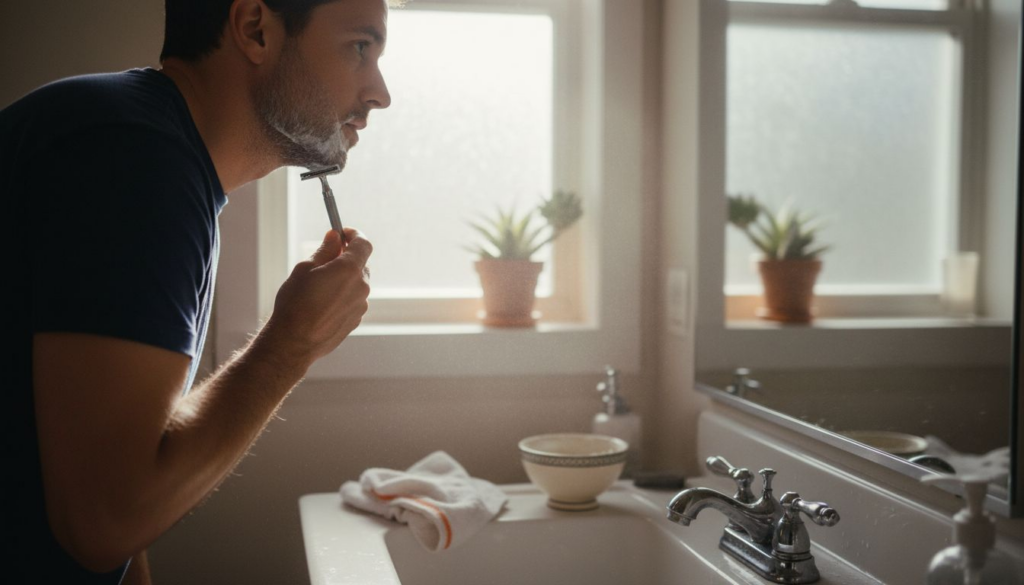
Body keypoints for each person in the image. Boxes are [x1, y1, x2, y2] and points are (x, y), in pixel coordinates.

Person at [1, 0, 392, 582]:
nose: (380, 92)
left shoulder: (150, 148)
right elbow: (103, 524)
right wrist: (290, 345)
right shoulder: (135, 159)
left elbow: (111, 449)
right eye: (360, 47)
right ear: (255, 29)